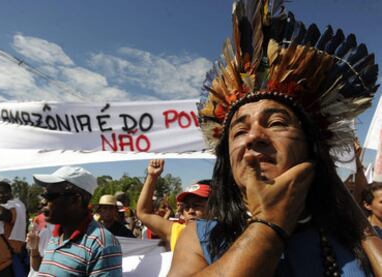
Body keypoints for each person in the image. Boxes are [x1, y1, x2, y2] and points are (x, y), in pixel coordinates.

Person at [169, 0, 382, 276]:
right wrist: (268, 223)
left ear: (311, 147)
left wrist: (357, 223)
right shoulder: (198, 236)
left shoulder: (350, 235)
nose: (254, 136)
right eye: (239, 131)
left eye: (277, 123)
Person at [33, 166, 122, 276]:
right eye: (43, 195)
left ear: (75, 199)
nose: (43, 202)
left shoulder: (101, 244)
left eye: (49, 196)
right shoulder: (56, 236)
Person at [137, 159, 211, 251]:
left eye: (197, 205)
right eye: (186, 207)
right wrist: (152, 176)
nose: (191, 211)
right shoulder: (177, 231)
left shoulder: (224, 234)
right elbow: (143, 213)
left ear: (213, 208)